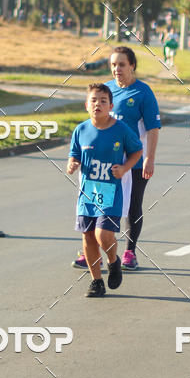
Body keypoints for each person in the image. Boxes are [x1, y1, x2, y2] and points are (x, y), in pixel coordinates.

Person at [71, 46, 161, 272]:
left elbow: (153, 128)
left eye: (121, 64)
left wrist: (149, 158)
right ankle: (91, 253)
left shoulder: (143, 92)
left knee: (132, 205)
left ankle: (130, 252)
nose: (117, 69)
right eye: (113, 65)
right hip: (103, 163)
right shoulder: (107, 90)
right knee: (95, 204)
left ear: (132, 66)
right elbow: (93, 124)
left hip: (133, 161)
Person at [67, 84, 142, 297]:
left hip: (110, 191)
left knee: (103, 234)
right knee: (88, 237)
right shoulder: (81, 130)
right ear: (86, 105)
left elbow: (137, 150)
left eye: (103, 101)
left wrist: (125, 168)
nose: (97, 104)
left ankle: (113, 261)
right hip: (87, 192)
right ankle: (96, 281)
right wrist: (72, 163)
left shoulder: (121, 129)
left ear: (111, 106)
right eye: (93, 100)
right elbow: (74, 154)